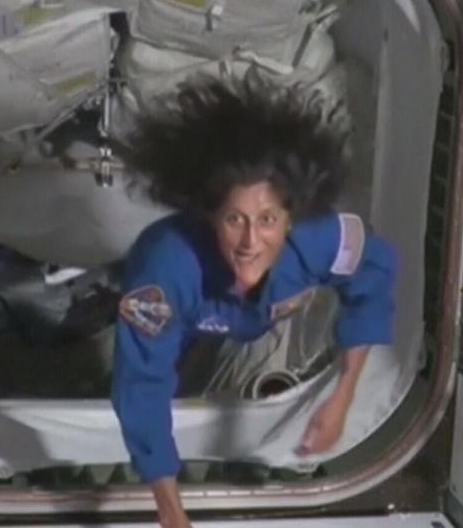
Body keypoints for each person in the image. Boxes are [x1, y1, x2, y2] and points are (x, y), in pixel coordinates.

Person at [111, 72, 397, 527]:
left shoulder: (319, 238)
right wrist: (170, 511)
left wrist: (343, 393)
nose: (250, 241)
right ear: (209, 217)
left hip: (261, 323)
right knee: (162, 381)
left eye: (267, 219)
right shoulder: (164, 271)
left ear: (290, 219)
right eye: (234, 219)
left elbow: (372, 283)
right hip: (189, 316)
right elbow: (141, 384)